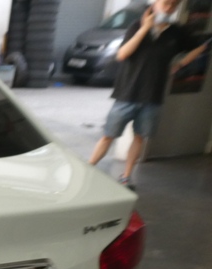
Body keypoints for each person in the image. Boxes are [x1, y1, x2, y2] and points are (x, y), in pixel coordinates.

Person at [88, 0, 210, 189]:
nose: (168, 9)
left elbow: (200, 47)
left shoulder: (176, 32)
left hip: (152, 97)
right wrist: (145, 28)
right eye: (165, 4)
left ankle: (126, 176)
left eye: (173, 6)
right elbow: (122, 54)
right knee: (108, 135)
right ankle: (88, 168)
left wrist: (180, 63)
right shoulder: (136, 25)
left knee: (139, 137)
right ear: (156, 4)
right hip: (127, 93)